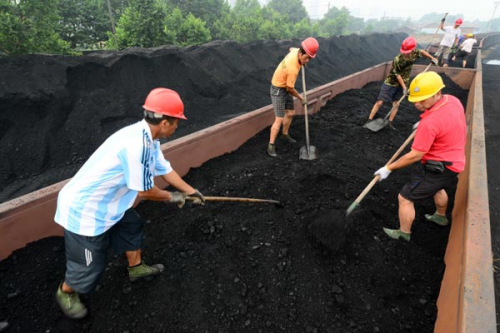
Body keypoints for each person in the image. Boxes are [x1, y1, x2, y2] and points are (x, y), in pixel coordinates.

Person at [54, 88, 205, 319]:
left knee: (131, 225)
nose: (177, 127)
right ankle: (66, 292)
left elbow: (164, 169)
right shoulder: (137, 146)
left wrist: (190, 191)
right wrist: (172, 197)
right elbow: (145, 192)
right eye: (176, 122)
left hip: (111, 205)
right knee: (89, 264)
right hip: (85, 211)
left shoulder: (149, 138)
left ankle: (136, 269)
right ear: (164, 122)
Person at [373, 71, 466, 242]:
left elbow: (414, 155)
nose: (417, 104)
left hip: (440, 165)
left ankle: (403, 233)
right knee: (438, 187)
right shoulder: (452, 101)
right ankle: (440, 216)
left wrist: (388, 168)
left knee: (405, 197)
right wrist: (425, 120)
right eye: (416, 99)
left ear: (438, 93)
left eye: (423, 100)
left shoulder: (430, 124)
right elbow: (449, 121)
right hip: (456, 162)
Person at [366, 37, 438, 129]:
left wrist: (432, 58)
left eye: (408, 51)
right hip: (391, 82)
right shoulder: (397, 59)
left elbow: (422, 52)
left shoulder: (414, 53)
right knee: (380, 102)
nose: (406, 53)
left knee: (396, 103)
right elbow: (398, 75)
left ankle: (389, 123)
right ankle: (369, 120)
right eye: (404, 52)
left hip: (404, 82)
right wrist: (404, 88)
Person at [267, 37, 319, 157]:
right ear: (301, 53)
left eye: (309, 59)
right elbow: (290, 88)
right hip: (278, 89)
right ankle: (271, 145)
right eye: (306, 58)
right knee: (279, 118)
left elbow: (291, 49)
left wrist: (303, 61)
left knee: (290, 112)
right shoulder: (292, 69)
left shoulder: (297, 51)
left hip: (285, 86)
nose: (307, 61)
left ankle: (284, 135)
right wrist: (301, 99)